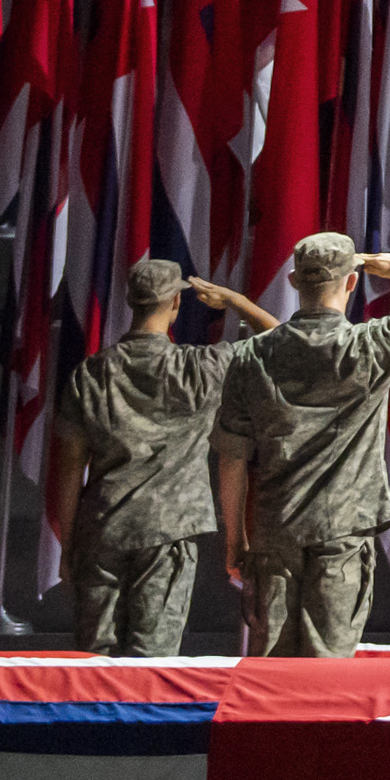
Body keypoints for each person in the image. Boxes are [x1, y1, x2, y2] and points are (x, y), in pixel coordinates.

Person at [209, 231, 390, 659]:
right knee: (327, 677)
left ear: (293, 281)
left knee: (270, 676)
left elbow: (232, 457)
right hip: (341, 539)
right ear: (351, 283)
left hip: (274, 534)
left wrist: (235, 541)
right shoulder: (371, 345)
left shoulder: (250, 356)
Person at [51, 255, 274, 653]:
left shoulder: (90, 374)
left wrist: (67, 547)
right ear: (175, 304)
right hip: (168, 533)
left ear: (130, 301)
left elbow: (69, 468)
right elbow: (278, 339)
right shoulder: (201, 367)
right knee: (150, 662)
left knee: (92, 662)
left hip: (101, 530)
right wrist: (233, 300)